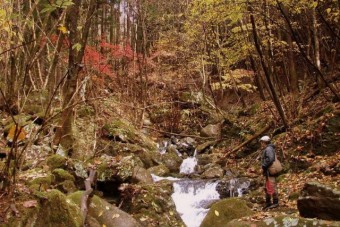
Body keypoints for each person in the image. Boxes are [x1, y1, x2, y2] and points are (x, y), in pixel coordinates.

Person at [260, 135, 279, 210]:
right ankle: (268, 202)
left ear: (264, 142)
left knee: (272, 185)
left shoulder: (268, 149)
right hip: (268, 171)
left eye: (261, 142)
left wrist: (263, 166)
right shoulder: (269, 148)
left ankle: (275, 202)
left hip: (270, 170)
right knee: (268, 186)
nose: (261, 144)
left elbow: (270, 159)